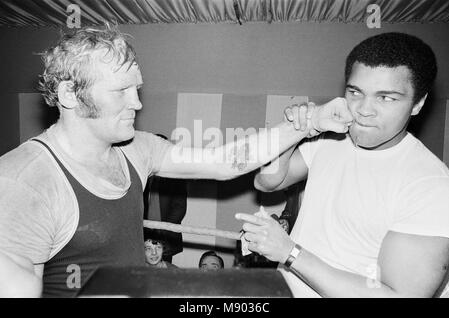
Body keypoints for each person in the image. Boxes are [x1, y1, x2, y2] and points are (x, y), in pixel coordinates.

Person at [0, 24, 351, 297]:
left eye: (136, 89)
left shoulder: (136, 148)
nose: (137, 103)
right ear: (69, 95)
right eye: (121, 91)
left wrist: (309, 123)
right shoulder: (25, 182)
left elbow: (225, 161)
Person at [237, 32, 449, 297]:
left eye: (386, 98)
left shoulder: (431, 185)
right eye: (355, 92)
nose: (363, 109)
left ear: (418, 103)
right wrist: (294, 129)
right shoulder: (333, 136)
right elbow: (268, 181)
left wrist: (290, 253)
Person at [145, 134, 187, 263]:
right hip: (143, 235)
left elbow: (179, 208)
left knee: (165, 274)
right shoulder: (142, 173)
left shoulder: (176, 176)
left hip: (166, 236)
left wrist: (161, 230)